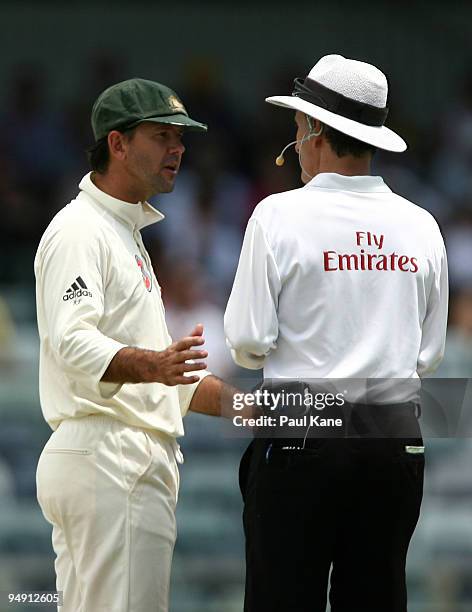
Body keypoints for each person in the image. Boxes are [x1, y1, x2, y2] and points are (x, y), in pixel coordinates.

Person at [224, 55, 448, 612]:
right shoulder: (422, 224)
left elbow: (247, 342)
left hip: (301, 437)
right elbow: (430, 357)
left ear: (317, 130)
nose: (295, 143)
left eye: (298, 128)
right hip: (394, 441)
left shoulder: (276, 216)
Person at [35, 78, 226, 612]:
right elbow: (75, 341)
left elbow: (167, 378)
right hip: (111, 456)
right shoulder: (81, 229)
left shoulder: (123, 234)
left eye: (180, 138)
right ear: (117, 144)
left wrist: (247, 406)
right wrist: (153, 365)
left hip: (111, 455)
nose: (178, 149)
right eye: (162, 135)